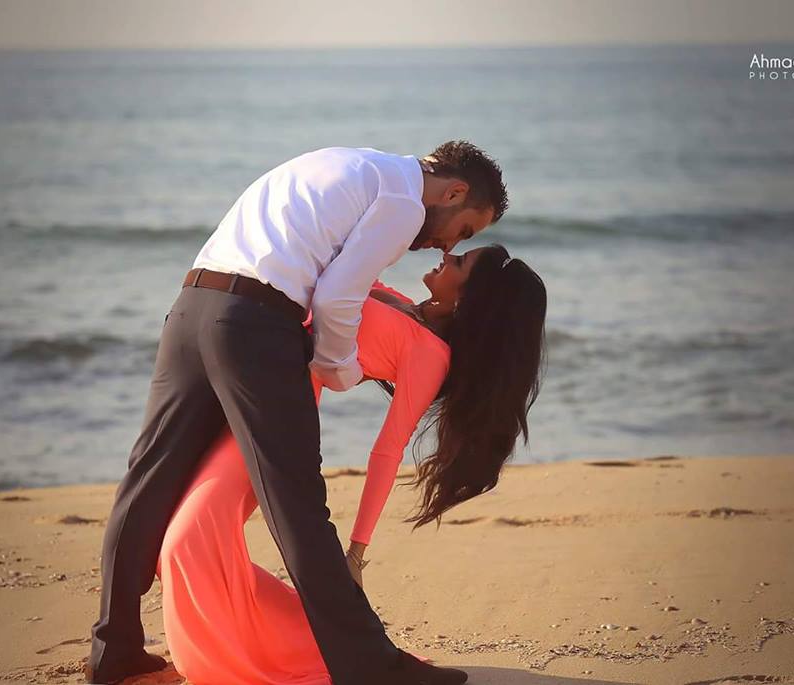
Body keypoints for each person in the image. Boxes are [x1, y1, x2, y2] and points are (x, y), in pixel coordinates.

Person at [86, 142, 509, 685]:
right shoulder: (403, 202)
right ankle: (371, 668)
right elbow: (335, 298)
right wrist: (341, 367)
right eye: (464, 229)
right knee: (298, 506)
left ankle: (114, 653)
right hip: (254, 326)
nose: (448, 244)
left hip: (192, 306)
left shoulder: (347, 162)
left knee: (148, 480)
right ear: (453, 192)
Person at [157, 244, 547, 684]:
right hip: (243, 379)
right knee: (182, 536)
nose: (445, 255)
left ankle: (279, 654)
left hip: (276, 414)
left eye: (458, 262)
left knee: (185, 541)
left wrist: (356, 551)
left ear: (468, 298)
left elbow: (387, 451)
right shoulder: (402, 304)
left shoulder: (431, 355)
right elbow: (349, 265)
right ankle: (296, 642)